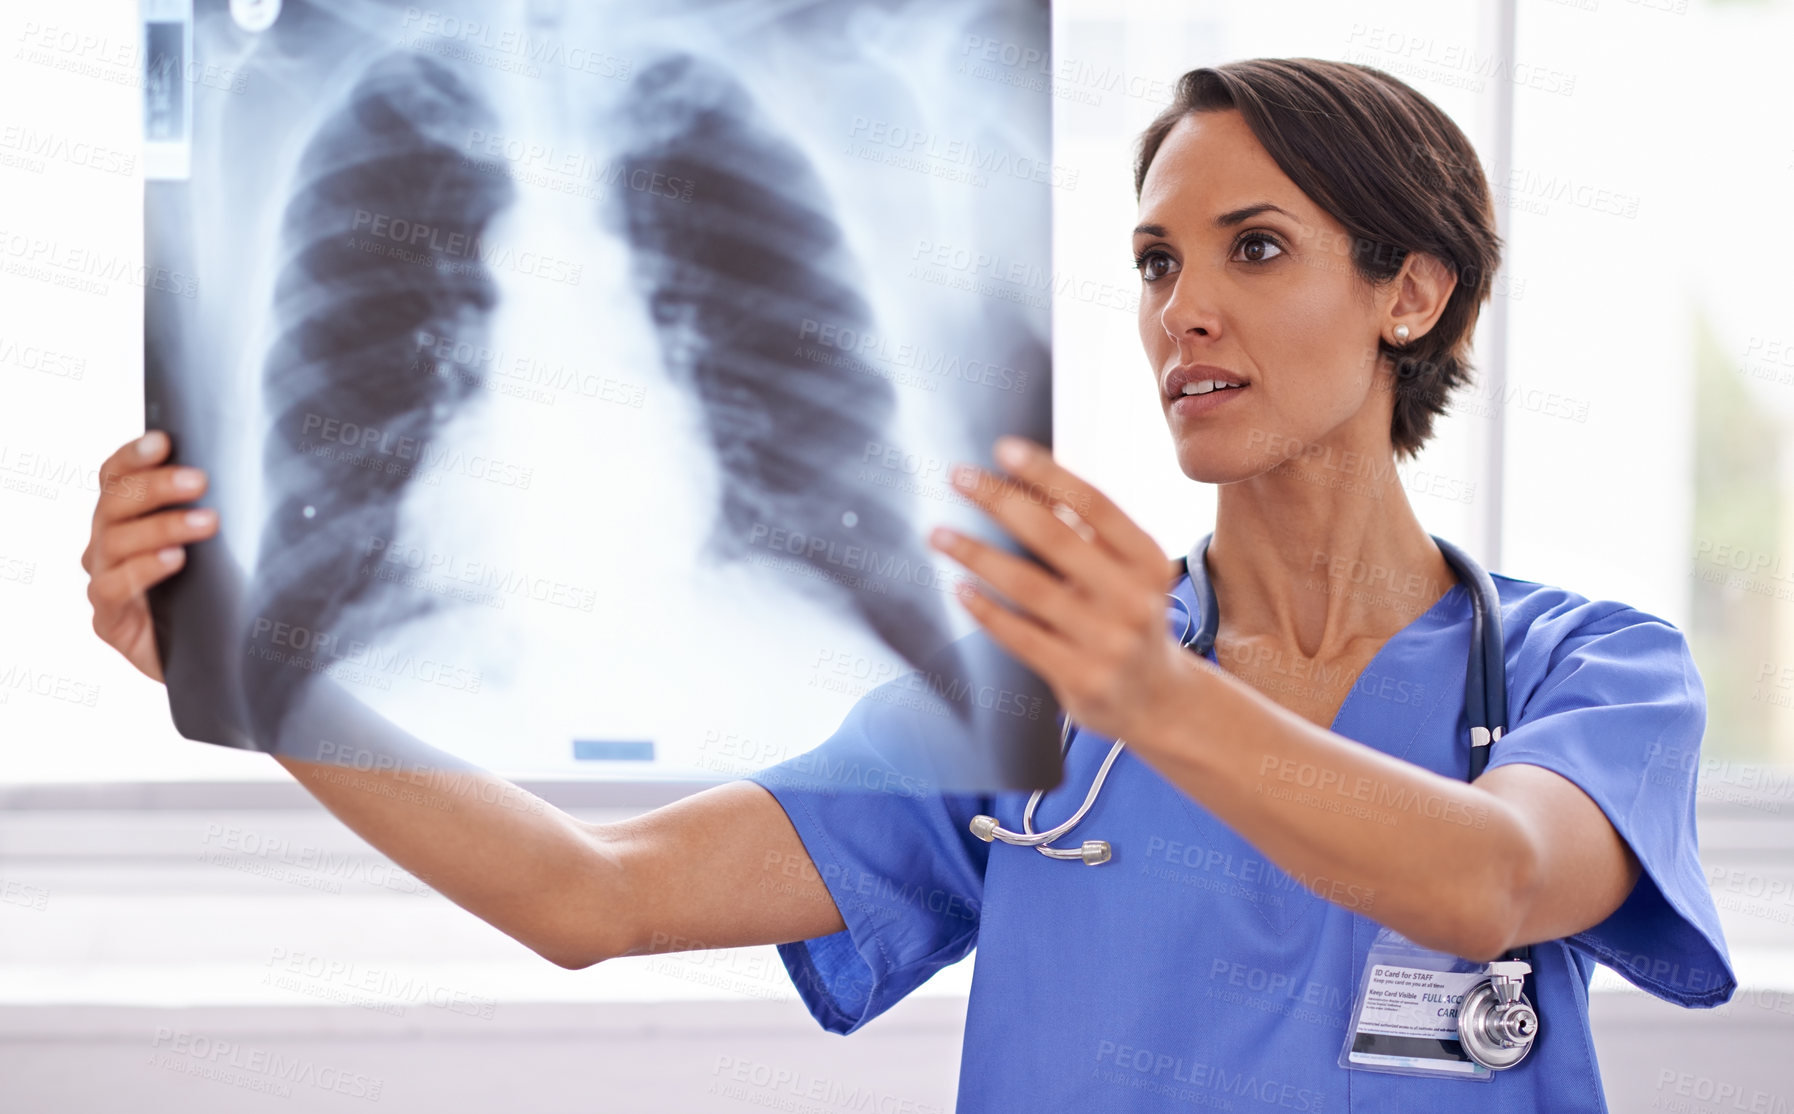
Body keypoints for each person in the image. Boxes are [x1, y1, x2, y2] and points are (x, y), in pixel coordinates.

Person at [84, 57, 1734, 1111]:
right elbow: (595, 894)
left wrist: (1149, 695)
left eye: (1255, 246)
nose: (1182, 312)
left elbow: (1489, 887)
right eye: (1155, 262)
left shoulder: (1587, 673)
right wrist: (248, 667)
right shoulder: (1031, 685)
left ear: (1411, 292)